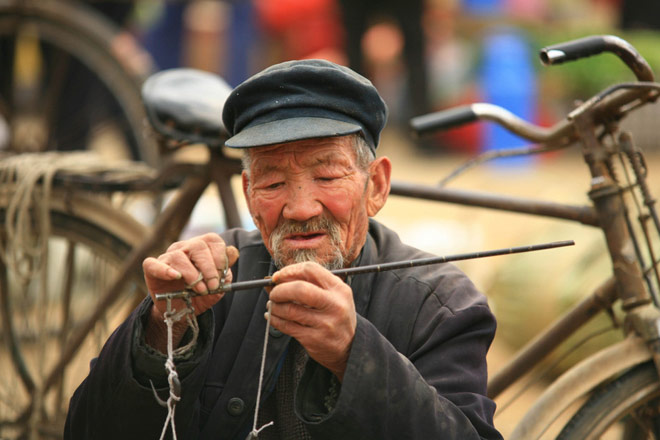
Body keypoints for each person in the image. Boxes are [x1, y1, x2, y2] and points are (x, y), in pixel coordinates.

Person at [64, 59, 502, 439]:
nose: (300, 207)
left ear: (377, 186)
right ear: (250, 195)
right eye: (273, 183)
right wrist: (163, 330)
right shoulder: (207, 281)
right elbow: (87, 431)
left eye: (327, 176)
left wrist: (352, 354)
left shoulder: (439, 305)